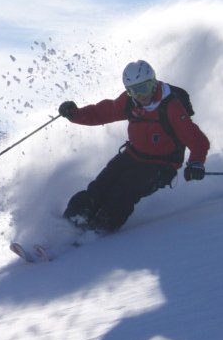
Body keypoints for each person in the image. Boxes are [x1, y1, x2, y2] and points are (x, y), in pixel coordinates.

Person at [57, 59, 210, 233]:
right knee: (99, 187)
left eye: (143, 88)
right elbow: (103, 112)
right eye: (133, 91)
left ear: (153, 83)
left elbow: (197, 140)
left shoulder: (171, 107)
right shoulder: (130, 102)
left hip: (161, 165)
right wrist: (74, 114)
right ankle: (67, 226)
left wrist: (196, 163)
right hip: (132, 155)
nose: (140, 96)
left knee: (123, 191)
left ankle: (97, 231)